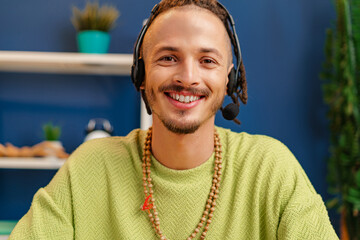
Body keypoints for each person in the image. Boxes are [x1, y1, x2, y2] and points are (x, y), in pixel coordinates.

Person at [10, 0, 338, 239]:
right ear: (141, 73)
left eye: (207, 60)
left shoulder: (271, 168)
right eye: (168, 57)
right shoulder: (89, 168)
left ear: (230, 80)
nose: (187, 77)